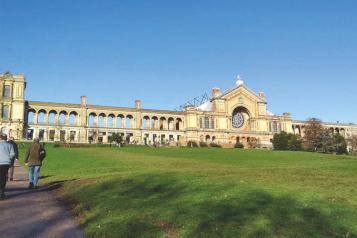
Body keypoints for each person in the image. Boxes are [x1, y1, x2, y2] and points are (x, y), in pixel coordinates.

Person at [0, 134, 15, 199]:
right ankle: (2, 192)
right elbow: (12, 154)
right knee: (3, 177)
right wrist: (8, 158)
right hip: (6, 163)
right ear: (6, 138)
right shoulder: (10, 145)